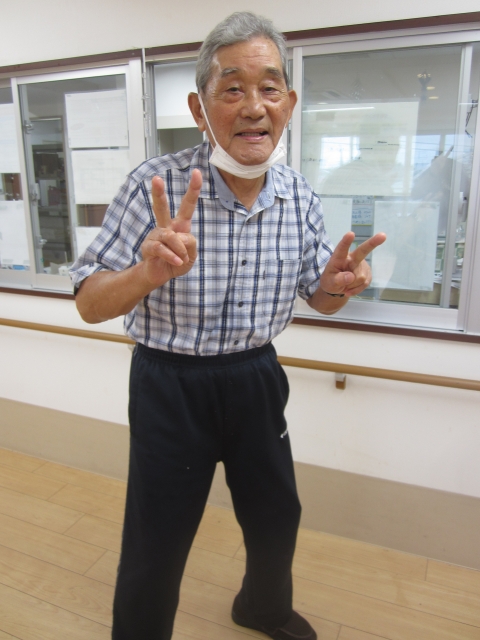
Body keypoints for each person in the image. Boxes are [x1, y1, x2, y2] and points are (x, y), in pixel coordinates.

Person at [70, 11, 386, 640]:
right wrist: (146, 274)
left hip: (256, 376)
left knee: (276, 516)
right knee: (157, 537)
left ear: (289, 103)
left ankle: (262, 609)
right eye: (232, 88)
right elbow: (88, 301)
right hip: (169, 383)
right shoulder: (155, 186)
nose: (253, 107)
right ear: (199, 106)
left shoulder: (298, 195)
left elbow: (319, 298)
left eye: (269, 88)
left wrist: (338, 286)